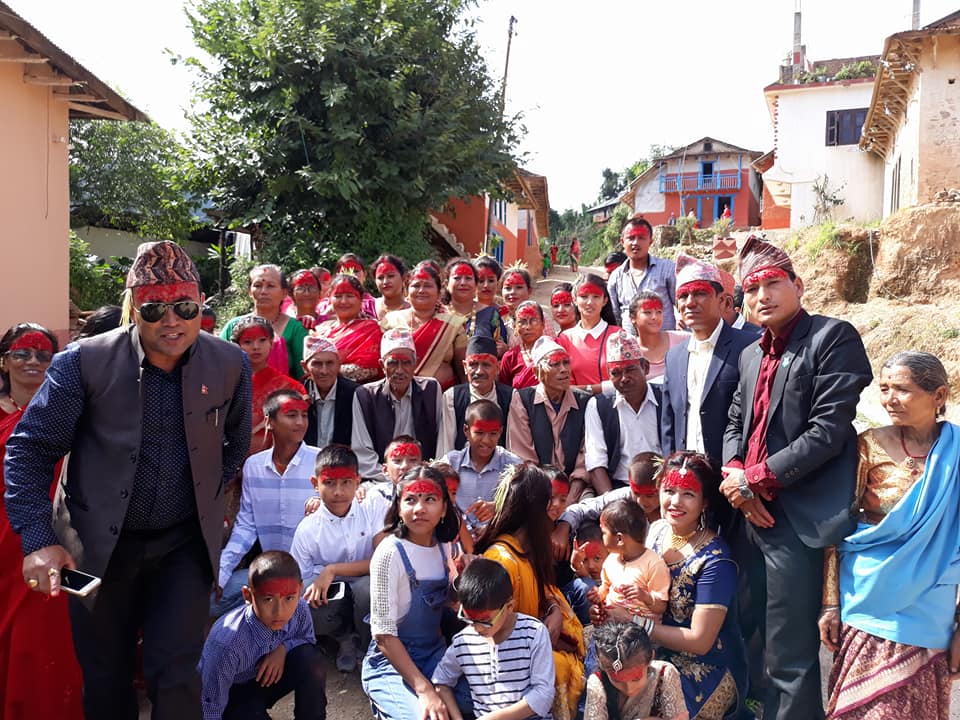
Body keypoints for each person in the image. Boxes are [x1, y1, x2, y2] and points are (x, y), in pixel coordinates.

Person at [5, 240, 252, 719]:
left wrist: (205, 498)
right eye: (154, 309)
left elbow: (235, 442)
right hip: (93, 546)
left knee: (176, 673)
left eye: (184, 307)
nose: (171, 321)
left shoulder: (229, 363)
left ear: (200, 305)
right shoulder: (83, 362)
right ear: (134, 308)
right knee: (105, 675)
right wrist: (37, 539)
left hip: (184, 544)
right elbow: (30, 449)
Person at [720, 236, 872, 720]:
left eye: (772, 283)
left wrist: (755, 480)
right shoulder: (750, 354)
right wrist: (737, 478)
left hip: (793, 517)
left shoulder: (832, 338)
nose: (762, 295)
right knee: (750, 634)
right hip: (748, 515)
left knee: (790, 654)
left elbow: (828, 431)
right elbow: (735, 422)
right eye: (751, 289)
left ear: (798, 285)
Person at [820, 352, 957, 720]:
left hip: (931, 610)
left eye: (902, 389)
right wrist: (830, 604)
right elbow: (836, 525)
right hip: (867, 598)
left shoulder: (957, 454)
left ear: (939, 395)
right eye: (884, 389)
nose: (890, 399)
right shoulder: (868, 445)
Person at [0, 324, 84, 720]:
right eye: (21, 353)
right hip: (4, 537)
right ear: (4, 362)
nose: (32, 361)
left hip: (52, 538)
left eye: (42, 355)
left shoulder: (72, 415)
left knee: (46, 633)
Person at [643, 452, 748, 720]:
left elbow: (700, 642)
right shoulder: (656, 531)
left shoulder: (715, 560)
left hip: (704, 667)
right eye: (669, 491)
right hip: (652, 649)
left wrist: (639, 625)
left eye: (688, 494)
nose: (675, 502)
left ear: (705, 503)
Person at [477, 463, 585, 720]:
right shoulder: (502, 560)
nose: (554, 508)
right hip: (514, 659)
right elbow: (500, 633)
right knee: (561, 667)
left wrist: (554, 610)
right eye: (548, 501)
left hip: (539, 640)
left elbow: (546, 591)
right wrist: (547, 638)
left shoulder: (527, 549)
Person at [361, 465, 464, 720]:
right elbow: (383, 636)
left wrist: (464, 584)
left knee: (480, 700)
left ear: (444, 508)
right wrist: (424, 689)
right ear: (398, 508)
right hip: (390, 664)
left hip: (435, 654)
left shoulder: (443, 547)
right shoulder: (389, 554)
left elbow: (447, 604)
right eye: (410, 500)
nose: (419, 509)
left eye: (429, 499)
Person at [215, 389, 318, 618]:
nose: (300, 422)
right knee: (210, 600)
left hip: (312, 573)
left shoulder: (320, 462)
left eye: (304, 415)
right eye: (291, 415)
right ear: (269, 422)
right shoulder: (254, 466)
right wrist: (221, 572)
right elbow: (245, 527)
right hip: (269, 571)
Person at [291, 444, 390, 673]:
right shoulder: (307, 529)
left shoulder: (372, 507)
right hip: (332, 591)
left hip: (365, 583)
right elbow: (299, 580)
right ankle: (344, 637)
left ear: (357, 481)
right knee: (304, 601)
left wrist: (333, 569)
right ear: (315, 484)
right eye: (329, 483)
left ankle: (368, 644)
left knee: (368, 588)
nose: (338, 492)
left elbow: (382, 560)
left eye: (346, 482)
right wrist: (316, 587)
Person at [200, 551, 326, 720]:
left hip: (265, 682)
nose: (279, 612)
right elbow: (210, 705)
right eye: (268, 599)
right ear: (248, 595)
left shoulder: (300, 609)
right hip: (231, 695)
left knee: (311, 659)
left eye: (289, 598)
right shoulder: (227, 642)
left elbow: (306, 639)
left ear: (300, 590)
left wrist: (282, 649)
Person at [660, 254, 755, 469]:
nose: (690, 302)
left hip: (733, 472)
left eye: (700, 293)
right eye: (683, 296)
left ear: (724, 301)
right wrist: (670, 468)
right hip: (687, 475)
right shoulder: (674, 357)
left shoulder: (749, 348)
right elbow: (669, 423)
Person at [433, 558, 556, 720]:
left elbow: (544, 694)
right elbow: (441, 681)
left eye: (485, 621)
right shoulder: (464, 642)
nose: (477, 628)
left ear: (509, 607)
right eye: (469, 619)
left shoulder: (534, 633)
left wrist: (495, 718)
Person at [352, 328, 442, 482]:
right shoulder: (365, 395)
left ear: (415, 363)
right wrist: (392, 479)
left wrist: (424, 475)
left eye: (406, 363)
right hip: (380, 480)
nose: (400, 370)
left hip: (423, 478)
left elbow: (440, 442)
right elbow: (363, 454)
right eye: (393, 363)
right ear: (382, 365)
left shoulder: (430, 389)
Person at [507, 337, 591, 503]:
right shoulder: (522, 400)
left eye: (566, 363)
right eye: (554, 364)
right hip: (537, 487)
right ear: (536, 372)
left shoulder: (584, 401)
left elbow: (586, 456)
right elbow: (524, 459)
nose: (564, 370)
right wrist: (550, 498)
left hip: (577, 489)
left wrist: (570, 498)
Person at [585, 331, 661, 495]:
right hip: (621, 489)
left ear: (645, 367)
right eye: (616, 373)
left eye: (631, 370)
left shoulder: (666, 397)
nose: (624, 378)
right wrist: (613, 501)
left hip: (664, 487)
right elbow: (596, 463)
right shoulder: (598, 406)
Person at [550, 453, 664, 561]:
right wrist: (563, 527)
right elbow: (582, 509)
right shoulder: (625, 497)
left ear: (662, 488)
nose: (641, 501)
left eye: (649, 496)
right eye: (637, 493)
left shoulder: (670, 510)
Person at [383, 263, 467, 391]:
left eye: (428, 286)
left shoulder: (452, 324)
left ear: (439, 292)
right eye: (416, 286)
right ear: (406, 291)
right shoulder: (391, 320)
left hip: (442, 395)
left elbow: (462, 369)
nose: (421, 290)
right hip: (398, 394)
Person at [231, 316, 307, 456]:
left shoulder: (291, 388)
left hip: (276, 460)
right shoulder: (226, 384)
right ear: (237, 346)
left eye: (262, 340)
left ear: (271, 343)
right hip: (230, 459)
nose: (256, 347)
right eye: (247, 342)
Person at [221, 263, 309, 381]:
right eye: (257, 285)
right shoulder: (233, 326)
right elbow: (219, 366)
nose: (263, 291)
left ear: (284, 293)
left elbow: (303, 376)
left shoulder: (296, 328)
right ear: (250, 292)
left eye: (270, 286)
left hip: (284, 391)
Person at [585, 622, 688, 720]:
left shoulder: (664, 674)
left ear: (650, 659)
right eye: (618, 681)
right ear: (603, 668)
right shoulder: (598, 683)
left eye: (636, 679)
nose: (629, 689)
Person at [443, 399, 521, 528]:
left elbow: (527, 502)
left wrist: (499, 507)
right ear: (466, 430)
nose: (486, 440)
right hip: (457, 534)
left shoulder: (513, 465)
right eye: (479, 433)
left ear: (500, 432)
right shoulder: (451, 463)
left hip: (497, 535)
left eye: (493, 434)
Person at [589, 500, 670, 622]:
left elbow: (661, 607)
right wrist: (598, 596)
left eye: (604, 533)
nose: (602, 537)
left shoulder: (654, 564)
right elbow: (605, 587)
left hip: (639, 629)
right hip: (611, 623)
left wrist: (644, 596)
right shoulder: (611, 560)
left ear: (619, 539)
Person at [438, 335, 513, 456]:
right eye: (473, 364)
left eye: (486, 365)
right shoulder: (452, 397)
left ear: (498, 368)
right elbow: (446, 447)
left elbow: (513, 447)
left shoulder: (511, 397)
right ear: (465, 367)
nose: (479, 371)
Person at [607, 216, 677, 333]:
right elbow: (615, 315)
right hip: (630, 342)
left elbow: (682, 304)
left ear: (650, 241)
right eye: (631, 238)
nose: (636, 243)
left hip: (665, 342)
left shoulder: (667, 269)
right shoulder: (615, 277)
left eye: (641, 238)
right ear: (622, 241)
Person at [313, 273, 383, 383]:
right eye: (338, 296)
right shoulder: (321, 331)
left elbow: (369, 369)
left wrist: (326, 371)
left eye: (350, 296)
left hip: (360, 390)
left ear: (361, 299)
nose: (344, 301)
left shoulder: (371, 329)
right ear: (330, 298)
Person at [557, 273, 619, 392]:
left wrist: (588, 389)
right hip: (577, 402)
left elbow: (625, 379)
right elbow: (564, 385)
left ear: (605, 300)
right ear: (574, 299)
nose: (590, 302)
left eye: (596, 296)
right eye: (584, 296)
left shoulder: (618, 335)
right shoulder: (565, 339)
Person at [302, 334, 358, 449]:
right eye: (317, 364)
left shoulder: (355, 394)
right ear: (304, 367)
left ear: (339, 364)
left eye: (330, 363)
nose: (324, 371)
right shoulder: (298, 394)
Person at [628, 292, 687, 382]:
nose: (654, 317)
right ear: (633, 318)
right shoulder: (629, 351)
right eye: (648, 312)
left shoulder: (683, 340)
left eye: (659, 312)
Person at [562, 521, 607, 626]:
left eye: (597, 558)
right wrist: (576, 563)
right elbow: (580, 570)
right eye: (585, 560)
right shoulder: (585, 579)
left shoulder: (613, 572)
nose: (591, 566)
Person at [498, 300, 546, 389]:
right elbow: (505, 391)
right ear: (515, 327)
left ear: (543, 324)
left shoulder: (554, 351)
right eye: (522, 322)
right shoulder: (510, 357)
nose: (528, 327)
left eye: (533, 320)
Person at [372, 254, 410, 320]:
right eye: (380, 278)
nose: (385, 282)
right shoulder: (367, 308)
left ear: (403, 278)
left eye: (391, 276)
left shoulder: (414, 310)